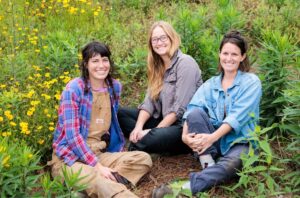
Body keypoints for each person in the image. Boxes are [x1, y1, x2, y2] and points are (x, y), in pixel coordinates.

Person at [152, 31, 262, 197]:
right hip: (213, 142)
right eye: (225, 53)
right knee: (196, 113)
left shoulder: (251, 82)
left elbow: (236, 118)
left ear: (242, 56)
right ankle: (208, 163)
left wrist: (211, 138)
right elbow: (191, 109)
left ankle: (183, 187)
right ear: (219, 55)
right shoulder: (211, 84)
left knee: (231, 164)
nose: (229, 58)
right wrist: (184, 136)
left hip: (241, 141)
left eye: (234, 54)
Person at [48, 41, 152, 198]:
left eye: (105, 60)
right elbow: (72, 137)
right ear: (86, 64)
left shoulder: (114, 88)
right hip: (69, 158)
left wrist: (102, 161)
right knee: (98, 179)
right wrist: (96, 166)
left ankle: (95, 187)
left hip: (98, 153)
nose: (101, 65)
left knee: (143, 159)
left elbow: (113, 124)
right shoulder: (74, 90)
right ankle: (105, 186)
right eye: (95, 61)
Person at [118, 20, 202, 154]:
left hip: (182, 128)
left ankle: (138, 148)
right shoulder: (157, 67)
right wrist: (138, 127)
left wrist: (152, 131)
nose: (159, 42)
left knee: (154, 137)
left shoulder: (186, 63)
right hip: (163, 121)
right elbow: (148, 103)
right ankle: (143, 138)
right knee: (118, 113)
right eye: (155, 39)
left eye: (163, 37)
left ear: (172, 38)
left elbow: (179, 110)